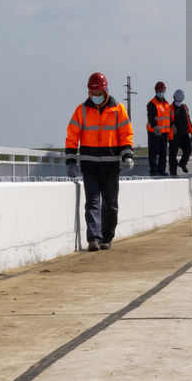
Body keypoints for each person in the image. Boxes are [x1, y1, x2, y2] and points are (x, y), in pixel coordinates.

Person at [65, 72, 134, 251]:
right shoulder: (81, 110)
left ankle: (107, 237)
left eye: (99, 93)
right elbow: (72, 135)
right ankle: (94, 238)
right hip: (89, 164)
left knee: (110, 203)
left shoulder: (118, 109)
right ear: (89, 92)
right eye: (93, 93)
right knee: (92, 202)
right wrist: (71, 159)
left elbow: (125, 133)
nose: (96, 97)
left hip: (111, 164)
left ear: (106, 91)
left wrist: (127, 155)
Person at [145, 81, 173, 177]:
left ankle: (162, 170)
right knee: (153, 151)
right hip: (154, 132)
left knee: (163, 152)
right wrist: (155, 126)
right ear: (156, 90)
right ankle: (153, 170)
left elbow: (168, 117)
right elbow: (151, 117)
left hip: (164, 132)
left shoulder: (166, 104)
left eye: (163, 90)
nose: (161, 91)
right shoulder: (152, 103)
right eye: (159, 90)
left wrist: (172, 125)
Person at [169, 88, 192, 176]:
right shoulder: (170, 108)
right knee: (172, 155)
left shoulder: (185, 107)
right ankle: (173, 173)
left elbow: (188, 120)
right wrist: (172, 125)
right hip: (175, 136)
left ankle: (182, 164)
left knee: (188, 149)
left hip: (184, 134)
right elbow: (167, 120)